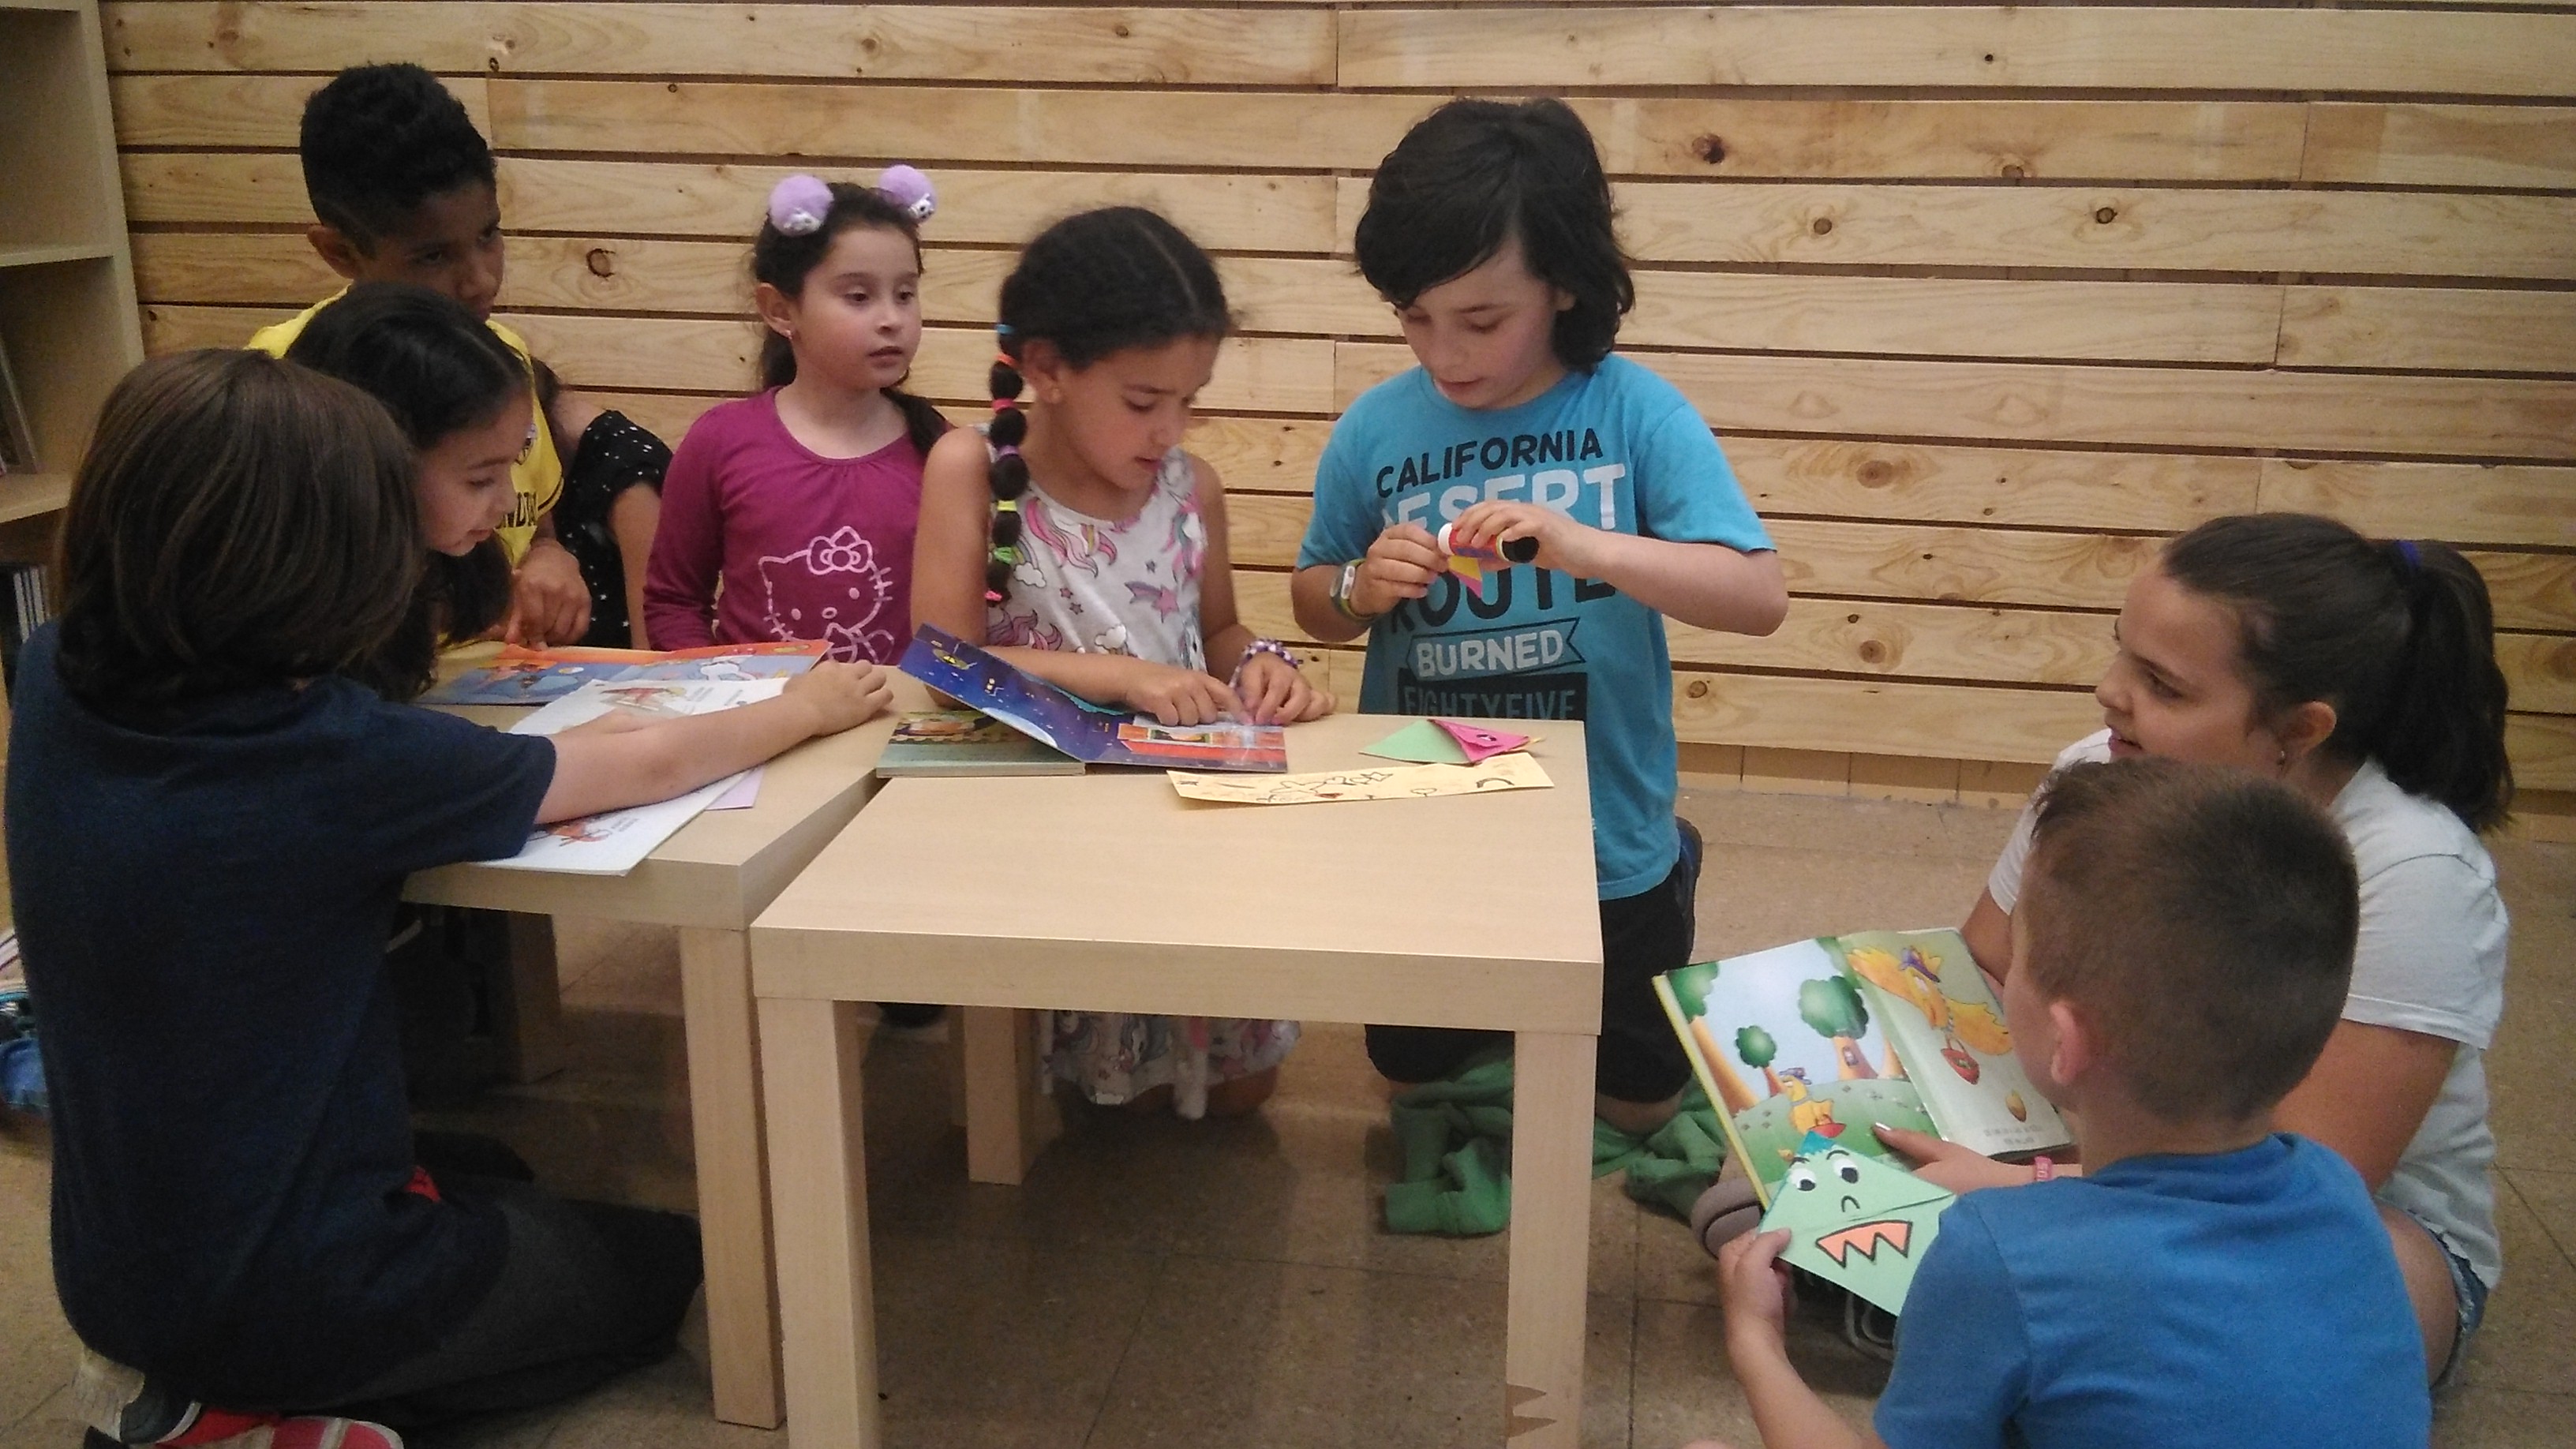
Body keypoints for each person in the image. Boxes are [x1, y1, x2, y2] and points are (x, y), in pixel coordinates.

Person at [8, 350, 892, 1447]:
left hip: (113, 1276)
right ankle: (254, 1416)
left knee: (499, 1169)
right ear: (313, 570)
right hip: (295, 1298)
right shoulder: (327, 755)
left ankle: (222, 1384)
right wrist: (805, 709)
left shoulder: (51, 671)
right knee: (661, 1264)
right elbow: (643, 768)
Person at [1887, 513, 2514, 1386]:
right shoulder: (2102, 770)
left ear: (2299, 730)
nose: (2109, 693)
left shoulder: (2413, 870)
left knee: (2234, 1313)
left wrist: (2025, 1193)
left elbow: (2313, 1175)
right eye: (2120, 652)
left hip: (2319, 1222)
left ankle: (2025, 1323)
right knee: (1782, 1194)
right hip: (2095, 1148)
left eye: (2163, 685)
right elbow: (1979, 970)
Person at [1290, 98, 1786, 1135]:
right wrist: (1358, 589)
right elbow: (1315, 598)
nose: (1444, 354)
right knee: (1412, 1086)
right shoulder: (1375, 428)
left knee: (1637, 1111)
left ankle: (1671, 864)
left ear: (1563, 282)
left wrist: (1587, 545)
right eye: (1414, 318)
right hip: (1429, 819)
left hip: (1604, 829)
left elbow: (1757, 596)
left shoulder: (1634, 410)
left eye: (1481, 322)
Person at [1703, 758, 2432, 1449]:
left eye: (2018, 959)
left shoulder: (1998, 1257)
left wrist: (1757, 1343)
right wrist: (2025, 1179)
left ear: (2065, 1040)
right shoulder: (2339, 1191)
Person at [910, 206, 1333, 1117]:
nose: (1170, 430)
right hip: (1042, 830)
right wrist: (1124, 679)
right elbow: (944, 666)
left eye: (1190, 401)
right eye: (1144, 403)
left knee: (1241, 1096)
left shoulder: (1193, 488)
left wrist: (1265, 662)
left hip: (1181, 820)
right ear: (1047, 368)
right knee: (1047, 1103)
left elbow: (1220, 629)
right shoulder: (969, 468)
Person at [245, 62, 667, 649]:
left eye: (488, 235)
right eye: (433, 256)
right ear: (340, 252)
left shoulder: (502, 356)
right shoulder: (288, 383)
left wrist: (552, 557)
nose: (480, 280)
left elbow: (534, 524)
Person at [642, 170, 949, 664]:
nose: (892, 319)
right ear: (780, 310)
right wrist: (725, 691)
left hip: (899, 710)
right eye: (858, 297)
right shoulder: (720, 441)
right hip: (757, 708)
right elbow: (673, 602)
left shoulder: (944, 453)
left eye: (905, 294)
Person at [282, 282, 526, 701]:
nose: (508, 501)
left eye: (513, 464)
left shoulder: (429, 572)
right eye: (480, 480)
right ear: (374, 462)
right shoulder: (291, 615)